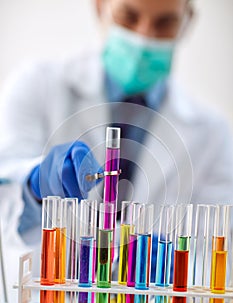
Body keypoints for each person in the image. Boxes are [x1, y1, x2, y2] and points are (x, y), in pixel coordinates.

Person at [1, 0, 233, 247]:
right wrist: (34, 186)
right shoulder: (37, 85)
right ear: (101, 7)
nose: (144, 37)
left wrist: (173, 265)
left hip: (151, 286)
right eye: (128, 16)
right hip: (47, 283)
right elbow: (5, 199)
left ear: (187, 23)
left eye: (165, 23)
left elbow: (217, 247)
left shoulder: (213, 135)